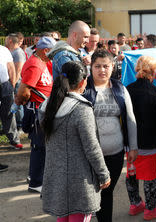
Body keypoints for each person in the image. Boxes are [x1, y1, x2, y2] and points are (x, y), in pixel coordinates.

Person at [40, 61, 111, 222]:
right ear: (82, 81)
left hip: (56, 176)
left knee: (62, 218)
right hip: (80, 180)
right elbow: (92, 147)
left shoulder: (47, 106)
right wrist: (103, 174)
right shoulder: (80, 108)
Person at [82, 49, 138, 222]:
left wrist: (133, 147)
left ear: (112, 66)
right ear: (91, 67)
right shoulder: (83, 88)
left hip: (115, 153)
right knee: (88, 193)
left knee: (107, 192)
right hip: (88, 154)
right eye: (97, 66)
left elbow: (130, 118)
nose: (102, 70)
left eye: (106, 66)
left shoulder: (120, 88)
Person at [125, 56, 156, 220]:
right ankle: (150, 208)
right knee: (150, 176)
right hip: (151, 142)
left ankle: (135, 204)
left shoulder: (127, 89)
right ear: (154, 72)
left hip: (131, 143)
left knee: (131, 173)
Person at [15, 37, 56, 193]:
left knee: (42, 147)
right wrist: (23, 102)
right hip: (37, 110)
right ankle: (36, 182)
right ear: (46, 50)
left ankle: (36, 177)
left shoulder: (43, 61)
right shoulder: (35, 64)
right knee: (39, 147)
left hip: (41, 109)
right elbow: (24, 91)